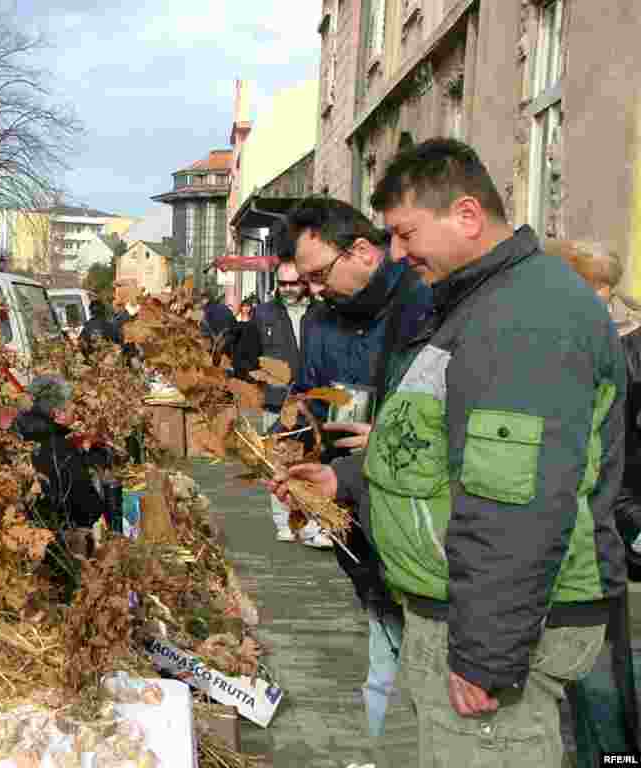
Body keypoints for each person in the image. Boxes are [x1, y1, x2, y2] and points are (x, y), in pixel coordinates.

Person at [273, 138, 627, 767]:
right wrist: (348, 480)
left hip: (494, 623)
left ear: (467, 215)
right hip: (460, 607)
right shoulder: (477, 304)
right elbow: (440, 442)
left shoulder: (527, 317)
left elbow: (516, 503)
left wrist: (486, 654)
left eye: (406, 234)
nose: (396, 252)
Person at [286, 196, 432, 742]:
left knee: (431, 678)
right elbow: (310, 397)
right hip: (355, 514)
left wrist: (389, 437)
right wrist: (297, 438)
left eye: (319, 274)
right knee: (384, 653)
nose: (314, 289)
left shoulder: (426, 302)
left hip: (422, 524)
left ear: (364, 251)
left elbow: (451, 413)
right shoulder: (321, 322)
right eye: (306, 281)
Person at [547, 239, 641, 765]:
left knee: (604, 698)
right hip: (584, 548)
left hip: (594, 551)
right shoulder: (598, 352)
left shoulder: (605, 353)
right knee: (594, 696)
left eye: (605, 294)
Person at [233, 246, 324, 545]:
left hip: (312, 402)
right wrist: (259, 385)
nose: (287, 289)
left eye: (293, 283)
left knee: (311, 462)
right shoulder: (264, 314)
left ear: (305, 282)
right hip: (277, 402)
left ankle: (311, 524)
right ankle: (283, 522)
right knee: (279, 465)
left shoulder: (321, 312)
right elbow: (245, 356)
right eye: (282, 283)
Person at [13, 374, 110, 601]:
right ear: (57, 415)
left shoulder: (17, 440)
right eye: (71, 408)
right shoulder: (61, 452)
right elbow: (90, 508)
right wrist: (83, 459)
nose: (75, 412)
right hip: (55, 553)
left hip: (22, 545)